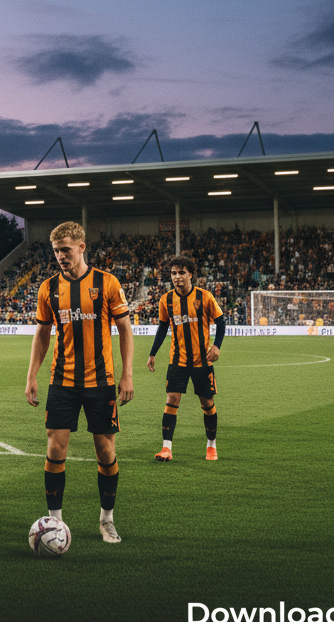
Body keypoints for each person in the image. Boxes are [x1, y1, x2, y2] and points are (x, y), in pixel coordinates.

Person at [24, 222, 134, 545]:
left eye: (66, 250)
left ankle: (107, 520)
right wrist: (31, 375)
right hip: (62, 380)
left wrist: (128, 373)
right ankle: (55, 525)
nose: (60, 256)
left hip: (101, 381)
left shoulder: (106, 283)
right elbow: (43, 333)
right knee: (55, 448)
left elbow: (125, 330)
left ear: (82, 247)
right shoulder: (49, 288)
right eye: (56, 251)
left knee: (105, 451)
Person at [146, 257, 226, 462]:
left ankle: (211, 446)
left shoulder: (205, 297)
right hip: (178, 361)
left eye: (181, 272)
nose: (176, 277)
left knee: (207, 403)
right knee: (171, 401)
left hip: (203, 361)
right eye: (173, 273)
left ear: (191, 274)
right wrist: (153, 353)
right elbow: (163, 327)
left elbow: (221, 322)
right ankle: (166, 448)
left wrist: (216, 346)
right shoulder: (166, 300)